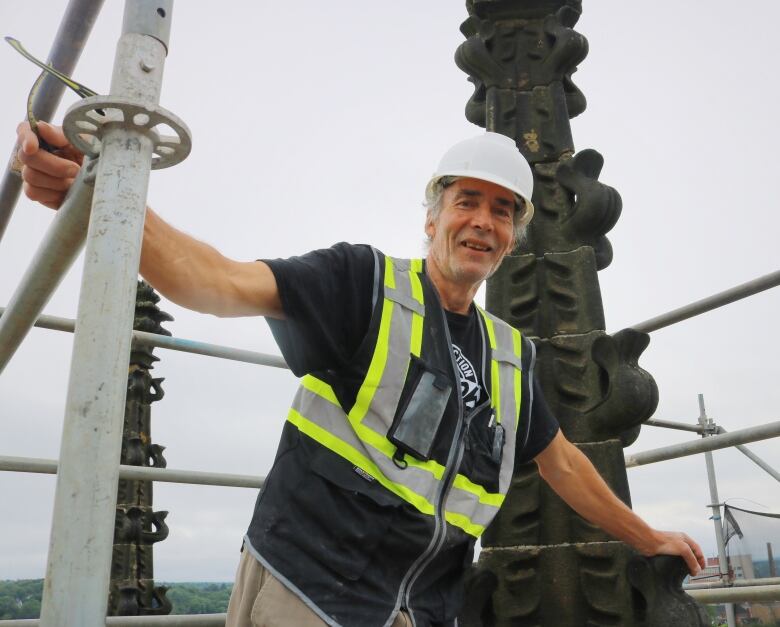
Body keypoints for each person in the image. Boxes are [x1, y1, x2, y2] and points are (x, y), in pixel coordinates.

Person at [16, 122, 705, 627]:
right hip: (308, 593)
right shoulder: (362, 285)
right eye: (468, 200)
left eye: (503, 210)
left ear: (514, 236)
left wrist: (649, 537)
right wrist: (99, 191)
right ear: (433, 214)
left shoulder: (509, 355)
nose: (483, 222)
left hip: (422, 609)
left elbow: (561, 464)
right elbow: (214, 281)